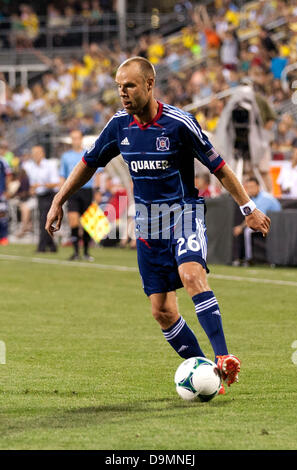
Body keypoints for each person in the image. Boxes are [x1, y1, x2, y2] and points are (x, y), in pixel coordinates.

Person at [46, 57, 271, 393]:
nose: (122, 93)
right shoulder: (118, 126)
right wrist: (58, 199)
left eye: (130, 85)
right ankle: (209, 374)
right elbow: (88, 164)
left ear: (150, 85)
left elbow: (219, 167)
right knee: (162, 311)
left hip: (183, 212)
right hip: (148, 223)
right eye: (119, 87)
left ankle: (224, 358)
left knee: (192, 274)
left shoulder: (179, 123)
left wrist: (248, 207)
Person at [59, 130, 96, 261]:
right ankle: (75, 252)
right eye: (73, 138)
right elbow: (63, 175)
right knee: (73, 221)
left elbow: (98, 173)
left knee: (87, 223)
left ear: (81, 139)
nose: (76, 141)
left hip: (87, 190)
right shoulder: (66, 156)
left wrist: (98, 192)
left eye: (77, 138)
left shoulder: (89, 153)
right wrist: (61, 194)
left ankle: (86, 252)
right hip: (73, 191)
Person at [233, 177, 281, 265]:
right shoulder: (253, 198)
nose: (250, 190)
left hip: (275, 224)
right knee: (241, 230)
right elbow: (251, 217)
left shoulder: (265, 198)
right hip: (267, 222)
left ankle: (249, 259)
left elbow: (256, 219)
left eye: (252, 187)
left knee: (247, 231)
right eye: (248, 187)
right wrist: (240, 227)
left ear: (258, 187)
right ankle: (239, 258)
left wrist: (241, 227)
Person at [26, 145, 59, 253]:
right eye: (33, 154)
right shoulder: (32, 167)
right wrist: (33, 189)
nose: (35, 156)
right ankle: (52, 246)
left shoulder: (50, 165)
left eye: (37, 153)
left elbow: (55, 183)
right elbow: (33, 184)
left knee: (43, 221)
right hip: (40, 197)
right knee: (44, 221)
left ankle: (42, 247)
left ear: (42, 153)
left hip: (49, 195)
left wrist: (40, 186)